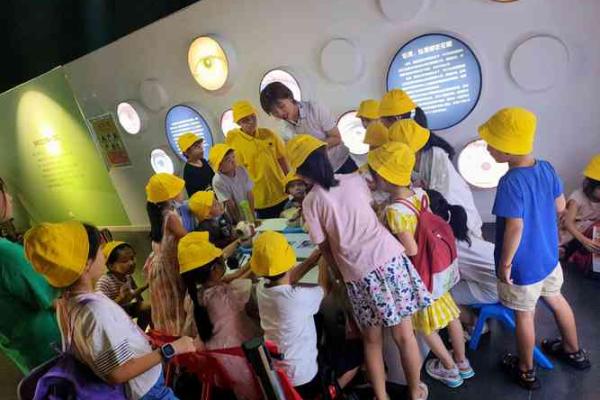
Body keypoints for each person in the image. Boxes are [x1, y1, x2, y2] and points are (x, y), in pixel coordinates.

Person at [288, 135, 431, 400]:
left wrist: (340, 276)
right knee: (405, 337)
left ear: (302, 174)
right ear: (325, 157)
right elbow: (372, 207)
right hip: (389, 262)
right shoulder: (354, 180)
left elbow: (325, 248)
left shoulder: (311, 203)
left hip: (357, 275)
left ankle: (382, 397)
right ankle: (415, 391)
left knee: (371, 341)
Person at [479, 107, 591, 389]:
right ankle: (573, 351)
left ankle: (526, 370)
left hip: (523, 265)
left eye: (491, 144)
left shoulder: (510, 182)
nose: (488, 149)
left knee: (524, 315)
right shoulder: (546, 168)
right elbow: (560, 207)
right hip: (548, 257)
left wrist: (505, 264)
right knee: (556, 299)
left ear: (507, 150)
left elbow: (514, 228)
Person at [24, 221, 199, 399]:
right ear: (86, 264)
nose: (103, 255)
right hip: (145, 390)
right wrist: (171, 349)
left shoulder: (66, 303)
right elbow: (117, 373)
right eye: (100, 250)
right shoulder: (94, 311)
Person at [368, 142, 474, 388]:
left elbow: (411, 249)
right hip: (437, 268)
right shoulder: (420, 194)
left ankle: (449, 368)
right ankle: (462, 362)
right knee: (452, 315)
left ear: (384, 177)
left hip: (419, 276)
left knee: (426, 327)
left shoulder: (395, 211)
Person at [251, 231, 360, 399]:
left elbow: (287, 279)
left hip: (279, 371)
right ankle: (330, 392)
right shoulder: (296, 298)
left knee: (318, 321)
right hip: (304, 376)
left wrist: (310, 261)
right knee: (358, 352)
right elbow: (325, 287)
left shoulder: (261, 288)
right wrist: (324, 260)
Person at [380, 90, 483, 238]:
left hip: (454, 214)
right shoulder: (407, 152)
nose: (381, 125)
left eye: (383, 120)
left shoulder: (435, 155)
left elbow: (440, 194)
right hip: (433, 216)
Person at [0, 177, 61, 373]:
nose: (10, 198)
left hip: (24, 351)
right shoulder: (5, 253)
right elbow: (52, 300)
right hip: (49, 352)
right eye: (4, 192)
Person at [425, 189, 498, 332]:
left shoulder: (445, 244)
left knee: (441, 298)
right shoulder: (458, 229)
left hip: (495, 289)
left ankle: (477, 325)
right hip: (500, 279)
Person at [178, 231, 258, 349]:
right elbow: (244, 280)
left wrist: (239, 243)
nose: (224, 259)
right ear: (214, 269)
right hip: (236, 351)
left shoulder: (194, 295)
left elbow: (236, 275)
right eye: (222, 260)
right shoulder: (226, 295)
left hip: (214, 351)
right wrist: (257, 260)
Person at [260, 82, 357, 174]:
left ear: (290, 97)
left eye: (282, 106)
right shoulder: (282, 129)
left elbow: (336, 138)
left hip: (341, 163)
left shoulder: (315, 109)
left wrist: (313, 150)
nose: (280, 113)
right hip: (318, 172)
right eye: (274, 112)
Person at [145, 173, 195, 337]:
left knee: (166, 308)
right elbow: (186, 238)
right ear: (169, 195)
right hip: (168, 269)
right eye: (178, 189)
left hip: (159, 269)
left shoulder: (158, 214)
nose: (181, 192)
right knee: (176, 306)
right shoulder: (170, 216)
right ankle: (181, 338)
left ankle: (171, 338)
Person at [225, 100, 290, 219]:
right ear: (239, 123)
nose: (251, 122)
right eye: (246, 120)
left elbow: (281, 159)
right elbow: (238, 174)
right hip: (259, 199)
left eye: (253, 117)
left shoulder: (268, 134)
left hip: (281, 192)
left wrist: (289, 180)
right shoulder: (235, 144)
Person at [96, 241, 151, 330]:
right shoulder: (104, 282)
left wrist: (146, 286)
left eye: (132, 258)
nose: (131, 263)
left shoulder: (127, 277)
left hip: (124, 309)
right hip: (111, 317)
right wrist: (121, 298)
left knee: (148, 306)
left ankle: (140, 333)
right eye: (124, 261)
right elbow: (101, 310)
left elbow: (136, 296)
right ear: (111, 266)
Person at [559, 153, 600, 270]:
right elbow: (568, 223)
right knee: (560, 250)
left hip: (591, 236)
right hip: (572, 234)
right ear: (591, 185)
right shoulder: (578, 197)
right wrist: (584, 240)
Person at [209, 143, 255, 223]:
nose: (233, 161)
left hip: (248, 210)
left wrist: (252, 214)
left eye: (233, 157)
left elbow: (250, 193)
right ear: (219, 167)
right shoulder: (218, 180)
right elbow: (230, 204)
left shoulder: (241, 169)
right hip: (234, 216)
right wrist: (238, 221)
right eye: (228, 160)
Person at [188, 190, 240, 258]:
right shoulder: (205, 229)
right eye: (215, 205)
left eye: (217, 201)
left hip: (234, 245)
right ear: (208, 215)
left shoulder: (222, 215)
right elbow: (216, 245)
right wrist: (231, 238)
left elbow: (230, 226)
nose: (219, 203)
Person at [178, 132, 214, 196]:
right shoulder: (189, 172)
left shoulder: (203, 161)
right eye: (196, 147)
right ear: (186, 152)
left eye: (200, 145)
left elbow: (213, 177)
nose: (201, 148)